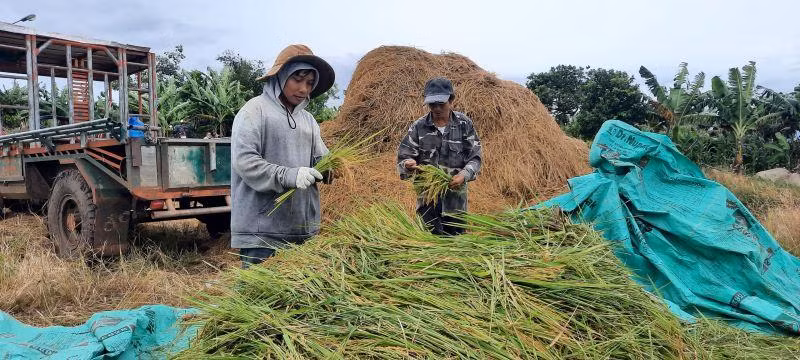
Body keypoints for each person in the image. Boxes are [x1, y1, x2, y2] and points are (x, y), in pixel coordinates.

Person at [230, 44, 336, 268]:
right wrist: (289, 175)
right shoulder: (254, 111)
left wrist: (332, 167)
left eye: (309, 83)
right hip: (262, 232)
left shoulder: (308, 121)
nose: (303, 89)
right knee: (257, 300)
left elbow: (320, 159)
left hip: (301, 230)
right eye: (297, 79)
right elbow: (245, 162)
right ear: (281, 76)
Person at [396, 77, 482, 236]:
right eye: (432, 104)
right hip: (428, 200)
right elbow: (405, 156)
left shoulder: (464, 124)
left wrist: (464, 175)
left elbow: (475, 157)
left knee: (457, 247)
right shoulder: (419, 126)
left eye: (441, 104)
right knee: (429, 246)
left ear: (451, 100)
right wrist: (408, 163)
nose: (436, 108)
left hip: (455, 203)